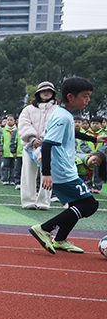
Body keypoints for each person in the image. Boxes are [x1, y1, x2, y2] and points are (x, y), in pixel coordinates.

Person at [29, 77, 102, 254]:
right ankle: (45, 228)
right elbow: (47, 144)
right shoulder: (62, 117)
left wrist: (94, 139)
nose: (88, 100)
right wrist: (46, 173)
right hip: (62, 170)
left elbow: (72, 133)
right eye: (85, 96)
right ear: (70, 96)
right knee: (89, 205)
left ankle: (60, 239)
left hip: (63, 168)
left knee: (77, 204)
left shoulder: (65, 114)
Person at [18, 81, 57, 210]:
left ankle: (44, 202)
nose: (46, 93)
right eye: (43, 91)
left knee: (46, 173)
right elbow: (24, 124)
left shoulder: (58, 109)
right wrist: (33, 138)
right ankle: (28, 201)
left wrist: (45, 139)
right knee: (28, 172)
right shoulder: (28, 109)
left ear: (53, 93)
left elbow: (57, 125)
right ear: (38, 93)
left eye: (49, 91)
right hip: (30, 146)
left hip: (49, 145)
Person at [0, 115, 21, 187]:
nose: (9, 121)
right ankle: (5, 179)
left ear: (14, 121)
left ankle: (12, 179)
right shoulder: (2, 130)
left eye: (11, 120)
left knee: (14, 167)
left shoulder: (17, 130)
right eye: (8, 120)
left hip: (15, 152)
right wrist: (0, 149)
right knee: (5, 166)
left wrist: (14, 151)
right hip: (6, 152)